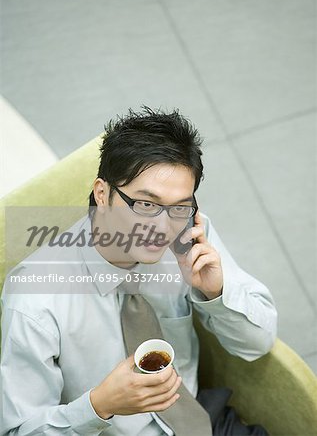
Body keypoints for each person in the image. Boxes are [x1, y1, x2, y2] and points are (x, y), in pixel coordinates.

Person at [0, 107, 277, 435]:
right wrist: (100, 405)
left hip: (202, 418)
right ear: (102, 194)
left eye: (178, 206)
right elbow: (18, 431)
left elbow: (257, 344)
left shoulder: (188, 235)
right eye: (145, 204)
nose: (162, 227)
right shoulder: (35, 297)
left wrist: (215, 292)